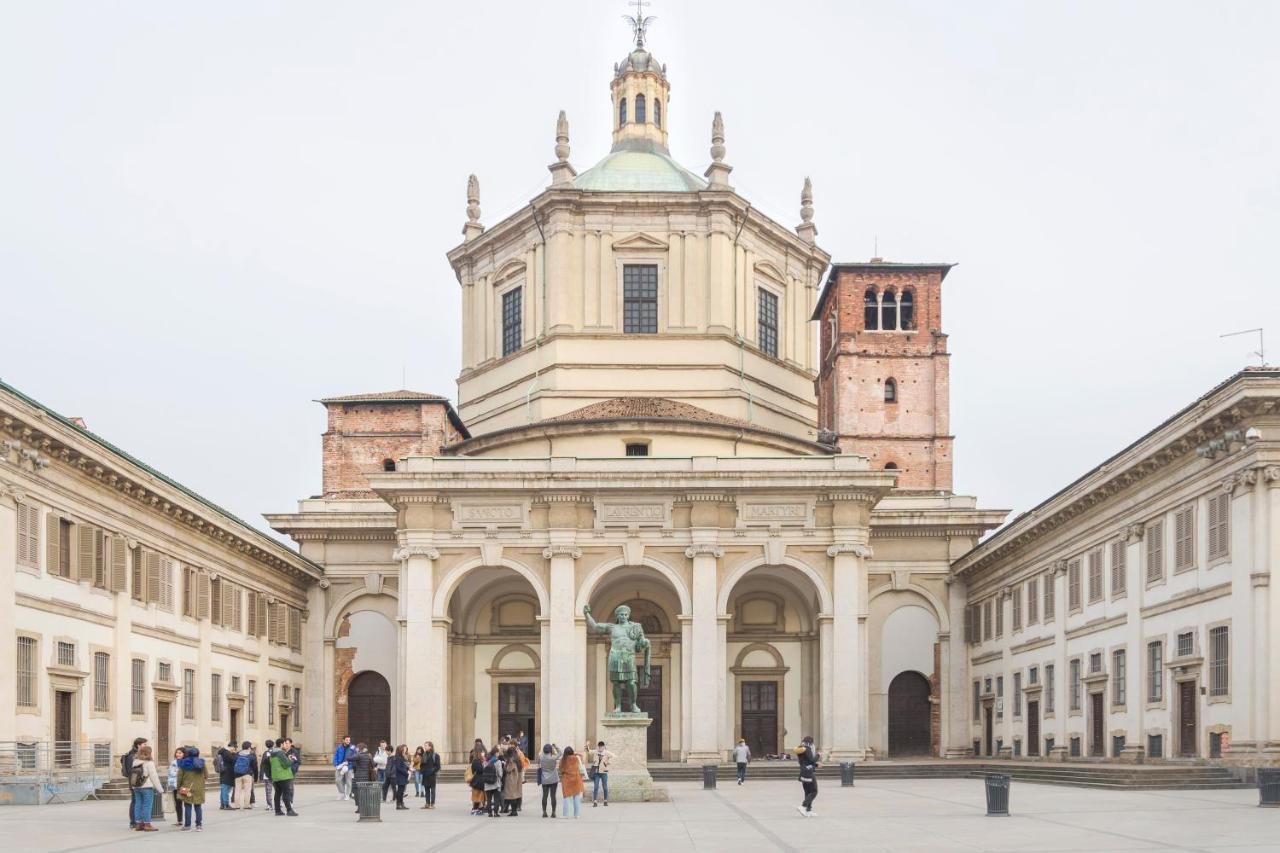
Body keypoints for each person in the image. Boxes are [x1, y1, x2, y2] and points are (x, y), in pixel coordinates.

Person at [129, 744, 163, 832]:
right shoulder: (149, 763)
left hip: (136, 787)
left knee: (138, 804)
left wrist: (133, 786)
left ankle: (139, 824)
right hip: (147, 787)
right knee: (147, 805)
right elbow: (154, 777)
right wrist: (160, 789)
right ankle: (147, 824)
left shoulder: (135, 762)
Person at [175, 746, 207, 832]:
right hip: (199, 787)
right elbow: (206, 775)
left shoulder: (183, 763)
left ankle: (187, 825)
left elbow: (179, 777)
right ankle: (198, 825)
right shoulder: (202, 763)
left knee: (187, 806)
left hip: (186, 787)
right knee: (198, 806)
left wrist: (178, 787)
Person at [267, 737, 299, 816]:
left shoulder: (272, 753)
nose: (285, 745)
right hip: (283, 776)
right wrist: (291, 760)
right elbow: (286, 764)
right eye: (284, 743)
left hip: (276, 776)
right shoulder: (280, 753)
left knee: (277, 793)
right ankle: (289, 810)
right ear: (281, 744)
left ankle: (278, 811)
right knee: (286, 793)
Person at [122, 736, 147, 829]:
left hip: (138, 782)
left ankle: (138, 821)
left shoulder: (138, 753)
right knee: (135, 801)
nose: (145, 746)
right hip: (134, 782)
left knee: (137, 801)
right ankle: (133, 822)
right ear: (139, 745)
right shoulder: (132, 755)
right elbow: (130, 770)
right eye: (144, 744)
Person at [794, 736, 820, 818]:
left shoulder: (801, 749)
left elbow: (805, 761)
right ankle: (803, 806)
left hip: (803, 772)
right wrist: (818, 755)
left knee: (808, 792)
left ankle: (808, 810)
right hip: (809, 773)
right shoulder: (807, 749)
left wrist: (816, 765)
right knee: (814, 791)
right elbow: (811, 760)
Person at [559, 746, 585, 819]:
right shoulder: (576, 758)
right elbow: (581, 763)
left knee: (566, 798)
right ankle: (576, 815)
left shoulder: (563, 759)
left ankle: (565, 815)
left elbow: (561, 769)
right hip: (576, 779)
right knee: (576, 797)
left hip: (566, 780)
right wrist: (576, 753)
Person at [233, 741, 257, 810]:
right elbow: (255, 767)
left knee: (237, 790)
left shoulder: (237, 755)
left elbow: (234, 764)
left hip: (237, 775)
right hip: (248, 774)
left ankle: (236, 805)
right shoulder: (251, 756)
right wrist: (255, 777)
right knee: (247, 790)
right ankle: (246, 805)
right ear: (249, 747)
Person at [538, 744, 560, 818]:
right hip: (553, 778)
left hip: (544, 779)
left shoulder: (541, 758)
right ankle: (553, 812)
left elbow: (540, 754)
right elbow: (561, 753)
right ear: (550, 750)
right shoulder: (553, 758)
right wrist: (555, 747)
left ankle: (544, 812)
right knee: (553, 796)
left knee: (545, 795)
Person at [591, 741, 615, 807]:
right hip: (597, 772)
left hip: (604, 772)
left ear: (604, 747)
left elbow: (613, 756)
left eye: (601, 747)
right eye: (599, 747)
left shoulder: (606, 753)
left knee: (605, 787)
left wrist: (607, 762)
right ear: (597, 746)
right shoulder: (596, 752)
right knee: (596, 787)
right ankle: (595, 801)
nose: (600, 748)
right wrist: (587, 745)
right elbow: (588, 751)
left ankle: (605, 801)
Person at [483, 745, 504, 817]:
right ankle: (495, 812)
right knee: (496, 799)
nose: (499, 754)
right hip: (496, 783)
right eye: (498, 753)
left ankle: (489, 813)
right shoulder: (498, 761)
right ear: (496, 753)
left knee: (488, 799)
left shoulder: (486, 761)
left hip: (487, 783)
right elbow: (500, 774)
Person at [332, 736, 356, 800]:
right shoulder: (339, 747)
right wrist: (336, 764)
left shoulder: (352, 748)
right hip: (339, 766)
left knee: (348, 781)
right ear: (343, 740)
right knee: (338, 780)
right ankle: (341, 793)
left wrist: (349, 764)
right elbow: (335, 756)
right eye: (347, 740)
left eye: (349, 740)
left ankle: (347, 794)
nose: (348, 741)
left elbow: (355, 757)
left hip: (348, 767)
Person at [419, 741, 441, 810]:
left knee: (433, 790)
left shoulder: (435, 755)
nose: (425, 747)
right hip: (425, 775)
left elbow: (438, 766)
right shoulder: (424, 755)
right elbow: (421, 765)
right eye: (424, 745)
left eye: (426, 745)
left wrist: (432, 771)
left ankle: (432, 804)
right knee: (427, 790)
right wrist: (422, 771)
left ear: (430, 747)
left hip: (432, 776)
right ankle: (427, 803)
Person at [388, 744, 411, 810]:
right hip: (400, 776)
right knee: (400, 791)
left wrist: (408, 768)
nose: (406, 750)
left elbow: (403, 765)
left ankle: (401, 803)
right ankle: (398, 805)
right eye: (405, 748)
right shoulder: (398, 757)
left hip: (403, 775)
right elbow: (398, 768)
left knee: (401, 790)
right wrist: (406, 772)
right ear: (401, 749)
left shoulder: (402, 756)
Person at [216, 740, 237, 810]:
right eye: (235, 748)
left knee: (223, 788)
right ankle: (226, 804)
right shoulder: (227, 753)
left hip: (223, 772)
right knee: (225, 788)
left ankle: (222, 804)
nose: (235, 749)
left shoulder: (222, 752)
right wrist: (234, 754)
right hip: (227, 773)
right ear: (232, 747)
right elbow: (233, 760)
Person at [167, 747, 185, 826]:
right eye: (177, 752)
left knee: (187, 803)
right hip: (175, 785)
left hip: (184, 785)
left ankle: (187, 821)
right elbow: (170, 774)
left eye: (180, 753)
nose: (178, 754)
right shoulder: (173, 762)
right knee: (178, 803)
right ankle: (179, 820)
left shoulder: (185, 763)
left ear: (184, 754)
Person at [466, 746, 486, 815]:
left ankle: (478, 808)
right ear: (479, 753)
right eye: (482, 752)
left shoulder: (480, 760)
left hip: (479, 780)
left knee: (479, 796)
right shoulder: (476, 761)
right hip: (478, 781)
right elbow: (480, 770)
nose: (483, 753)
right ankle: (475, 809)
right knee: (477, 796)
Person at [259, 739, 275, 812]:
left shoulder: (266, 753)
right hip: (276, 774)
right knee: (278, 790)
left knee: (268, 790)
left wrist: (261, 775)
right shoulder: (277, 752)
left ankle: (269, 805)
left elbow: (262, 764)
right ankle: (279, 803)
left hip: (267, 774)